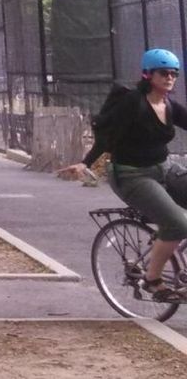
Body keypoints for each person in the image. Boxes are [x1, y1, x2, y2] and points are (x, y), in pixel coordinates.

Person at [57, 48, 187, 302]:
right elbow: (108, 136)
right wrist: (86, 163)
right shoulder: (133, 103)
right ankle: (152, 280)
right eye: (163, 73)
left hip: (165, 168)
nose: (169, 78)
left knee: (175, 223)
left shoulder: (168, 104)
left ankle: (165, 245)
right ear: (148, 74)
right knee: (179, 224)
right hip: (133, 176)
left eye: (174, 74)